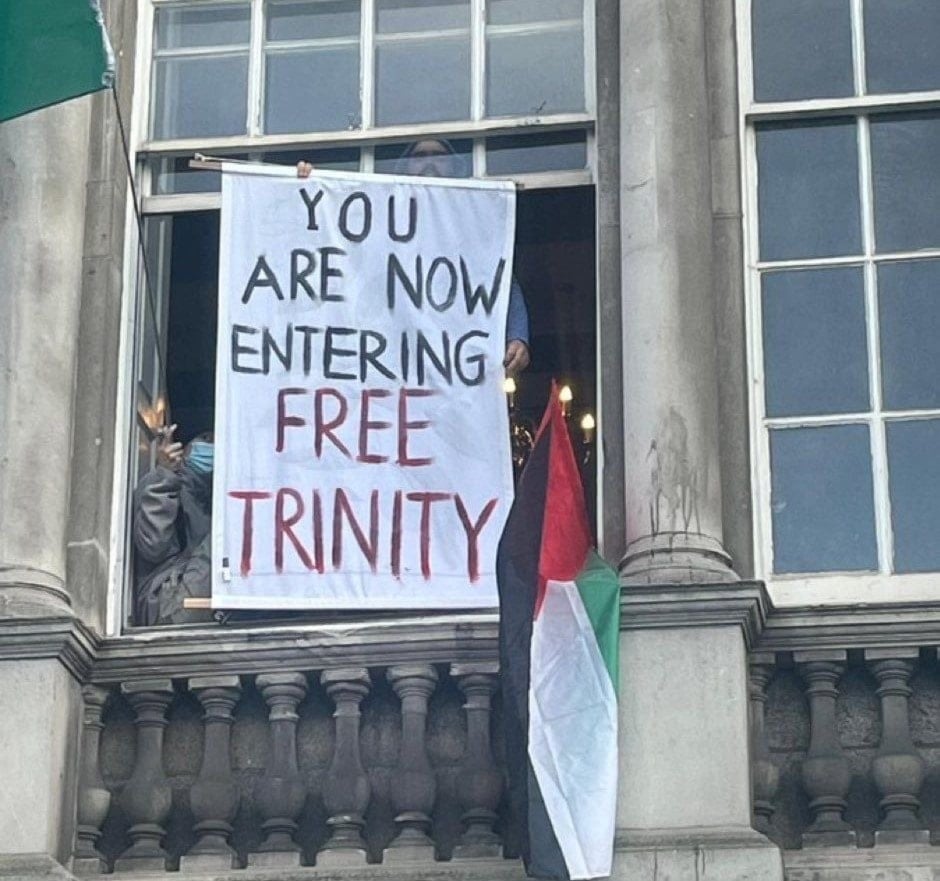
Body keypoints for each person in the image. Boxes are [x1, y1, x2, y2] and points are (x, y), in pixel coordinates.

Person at [297, 138, 531, 375]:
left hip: (451, 364)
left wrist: (518, 336)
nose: (429, 162)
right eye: (420, 156)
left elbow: (498, 280)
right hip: (388, 358)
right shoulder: (378, 215)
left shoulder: (472, 221)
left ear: (453, 166)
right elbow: (334, 248)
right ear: (406, 166)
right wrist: (310, 189)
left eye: (439, 155)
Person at [133, 425, 215, 626]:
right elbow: (153, 545)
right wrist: (166, 475)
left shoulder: (212, 497)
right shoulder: (163, 484)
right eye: (207, 439)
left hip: (196, 601)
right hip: (165, 603)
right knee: (233, 531)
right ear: (185, 449)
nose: (214, 446)